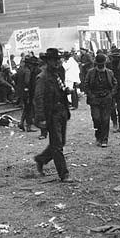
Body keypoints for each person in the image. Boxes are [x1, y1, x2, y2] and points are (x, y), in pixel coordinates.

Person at [33, 48, 72, 181]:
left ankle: (41, 159)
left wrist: (65, 91)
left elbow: (59, 90)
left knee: (61, 142)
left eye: (58, 59)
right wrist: (41, 118)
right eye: (55, 60)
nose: (57, 62)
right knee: (57, 145)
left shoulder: (57, 74)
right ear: (48, 61)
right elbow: (38, 99)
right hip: (51, 114)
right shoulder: (42, 77)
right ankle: (64, 174)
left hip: (61, 112)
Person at [81, 53, 116, 147]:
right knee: (96, 118)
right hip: (94, 99)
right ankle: (98, 136)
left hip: (106, 99)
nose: (101, 66)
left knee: (105, 119)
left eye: (102, 64)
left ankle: (104, 139)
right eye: (99, 64)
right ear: (96, 64)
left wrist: (111, 94)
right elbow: (86, 84)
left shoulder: (109, 72)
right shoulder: (91, 72)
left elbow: (115, 84)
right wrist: (90, 94)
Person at [107, 48, 120, 132]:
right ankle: (115, 123)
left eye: (117, 57)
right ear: (111, 57)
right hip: (111, 89)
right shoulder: (108, 65)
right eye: (114, 57)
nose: (116, 58)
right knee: (112, 108)